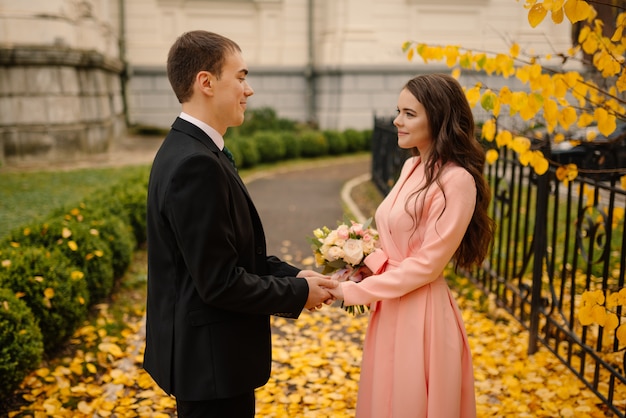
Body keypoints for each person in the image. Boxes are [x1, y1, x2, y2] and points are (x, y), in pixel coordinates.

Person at [143, 30, 336, 418]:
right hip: (212, 368)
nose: (249, 90)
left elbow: (232, 254)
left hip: (210, 364)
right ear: (206, 82)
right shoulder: (195, 164)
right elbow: (220, 282)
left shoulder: (189, 149)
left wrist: (298, 276)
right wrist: (297, 294)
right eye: (241, 77)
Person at [330, 73, 495, 417]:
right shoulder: (411, 166)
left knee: (410, 403)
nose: (397, 121)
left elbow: (426, 265)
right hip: (388, 305)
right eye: (398, 111)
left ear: (437, 117)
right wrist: (357, 256)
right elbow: (394, 245)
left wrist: (354, 293)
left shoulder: (457, 180)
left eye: (409, 113)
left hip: (422, 314)